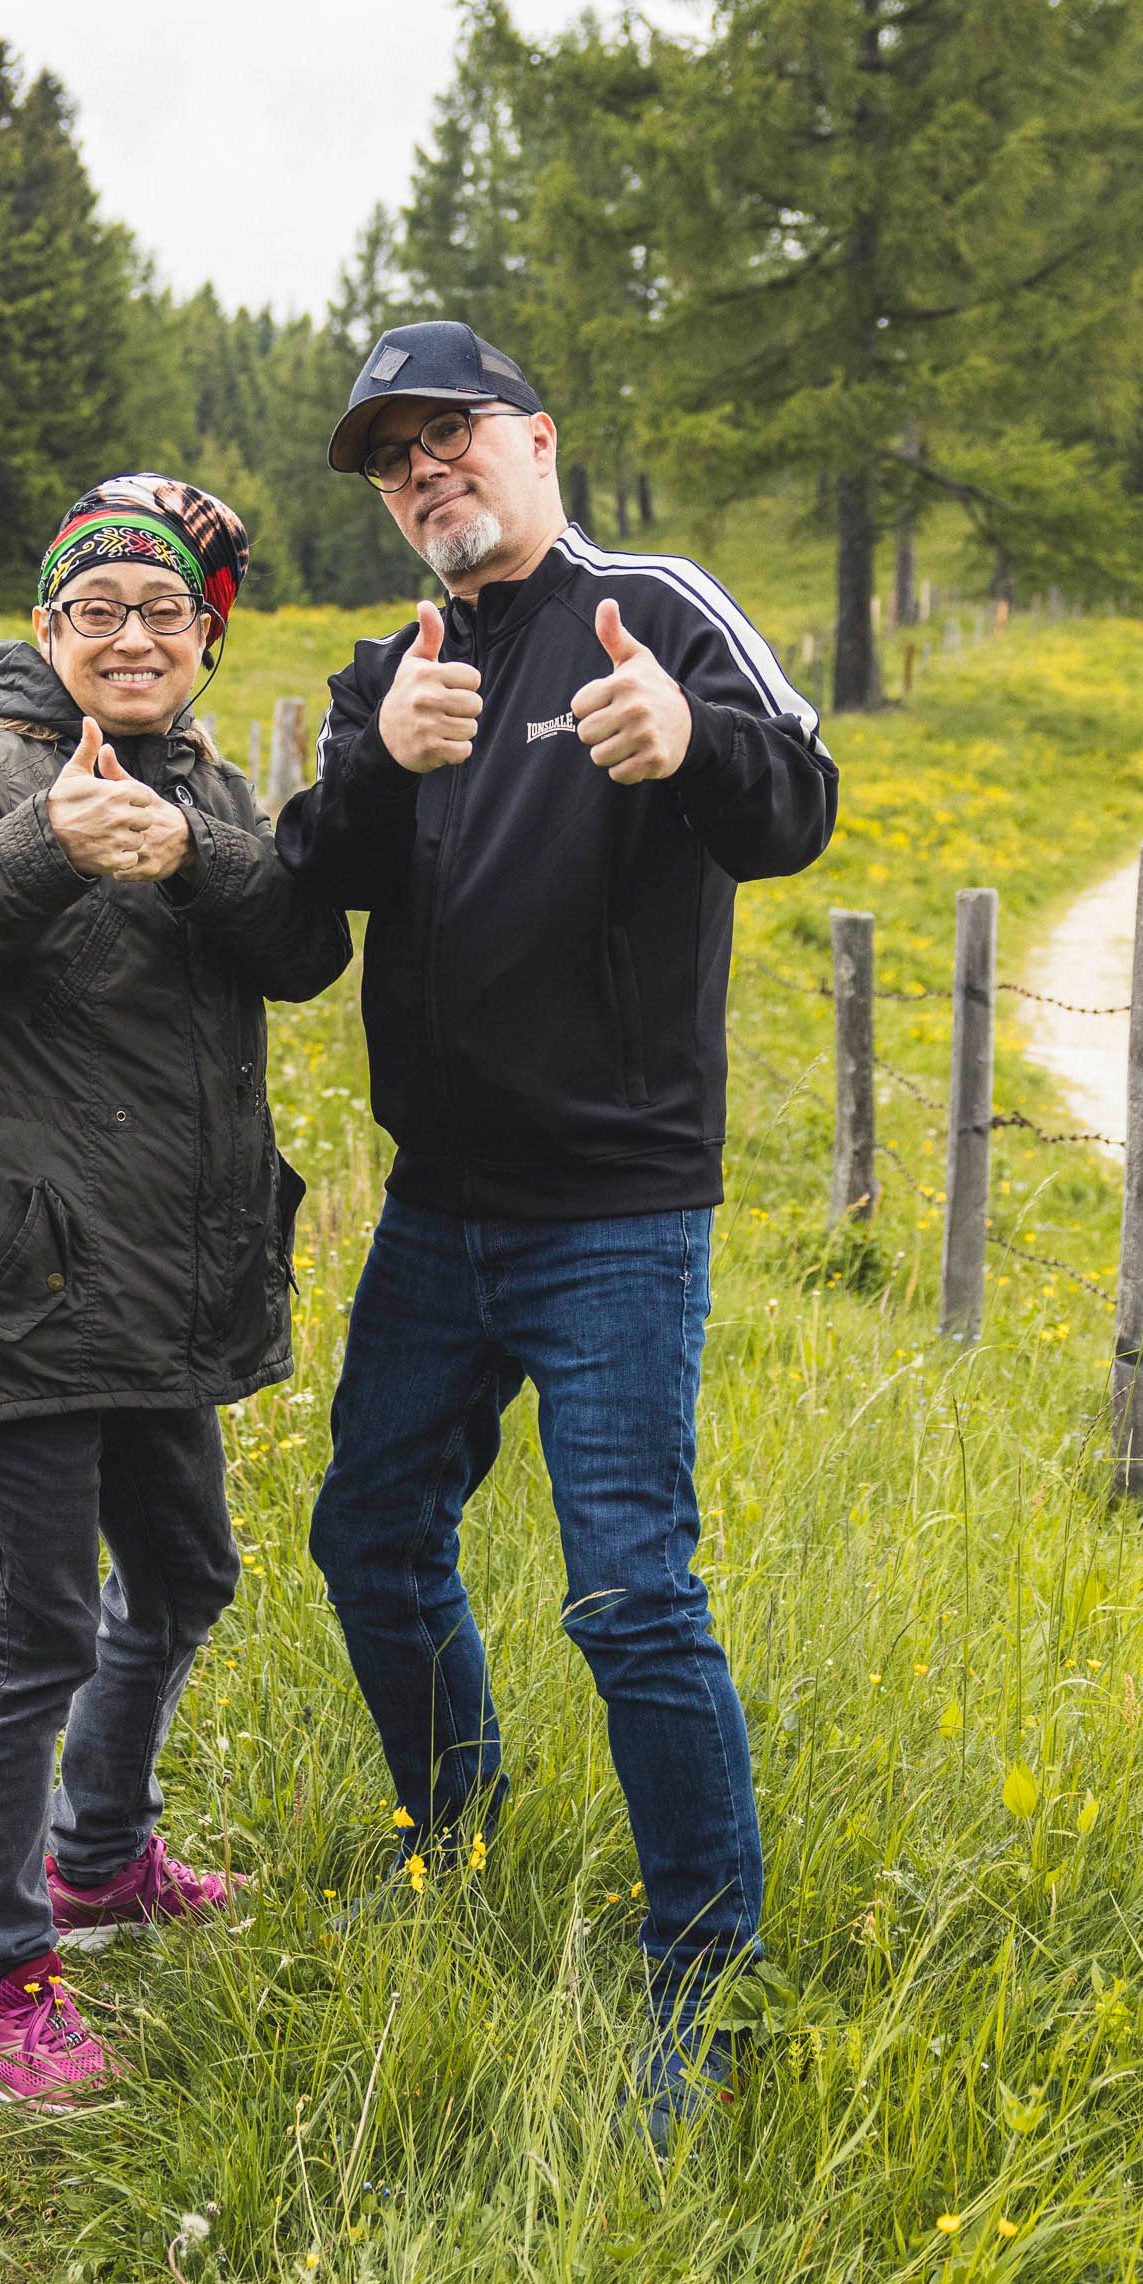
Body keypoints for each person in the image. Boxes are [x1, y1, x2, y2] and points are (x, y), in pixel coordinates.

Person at [274, 321, 838, 2133]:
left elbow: (800, 807)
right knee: (369, 1533)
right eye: (393, 456)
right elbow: (306, 904)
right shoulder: (397, 664)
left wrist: (687, 746)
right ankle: (449, 1835)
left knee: (630, 1596)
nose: (425, 470)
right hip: (438, 1211)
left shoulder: (656, 606)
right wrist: (381, 762)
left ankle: (703, 1979)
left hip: (612, 1212)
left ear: (535, 437)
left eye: (451, 436)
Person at [0, 473, 351, 2115]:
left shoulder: (209, 779)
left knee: (190, 1574)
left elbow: (296, 945)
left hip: (162, 1281)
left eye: (162, 615)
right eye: (96, 613)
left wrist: (194, 855)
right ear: (51, 629)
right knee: (32, 1638)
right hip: (16, 1283)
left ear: (206, 637)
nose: (131, 639)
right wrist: (43, 852)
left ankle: (102, 1857)